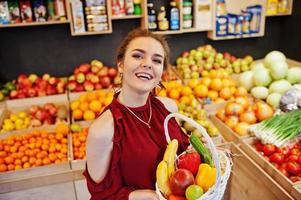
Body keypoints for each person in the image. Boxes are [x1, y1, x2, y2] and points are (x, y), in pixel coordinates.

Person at [84, 28, 189, 200]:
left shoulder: (169, 109)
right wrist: (141, 196)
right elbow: (101, 197)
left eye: (156, 60)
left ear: (161, 73)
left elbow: (184, 158)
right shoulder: (103, 130)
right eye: (137, 56)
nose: (147, 63)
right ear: (121, 65)